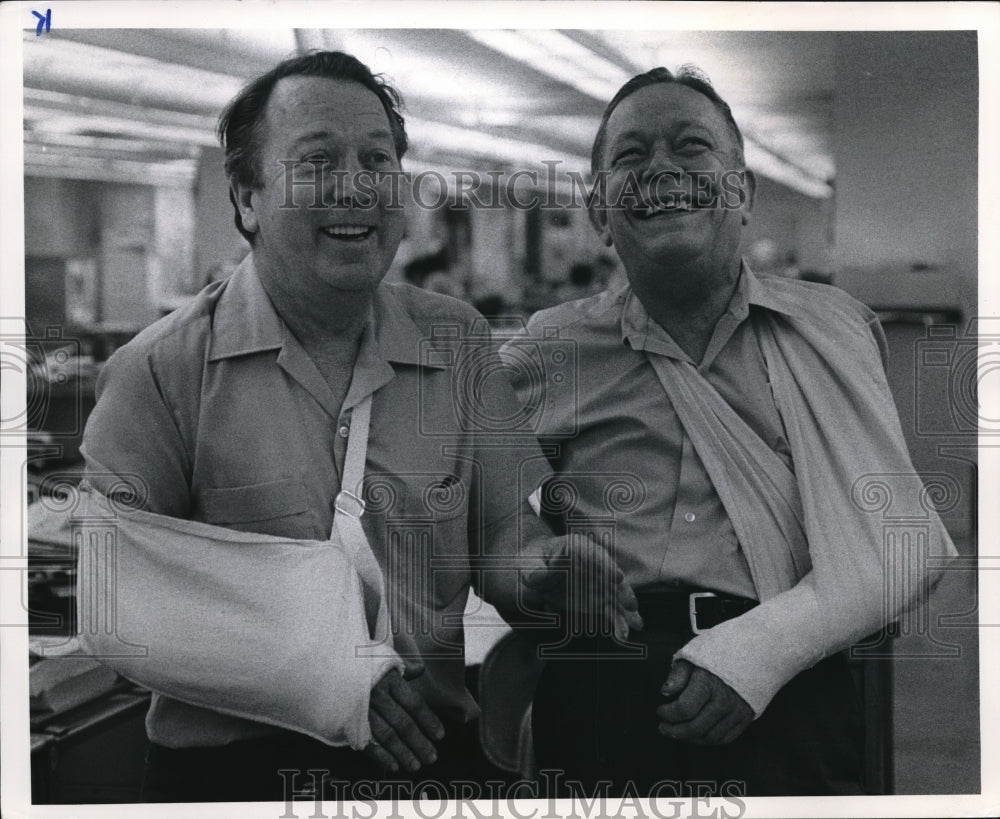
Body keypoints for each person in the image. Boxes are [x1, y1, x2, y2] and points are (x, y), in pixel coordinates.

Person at [77, 51, 615, 803]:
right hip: (235, 776)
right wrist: (331, 680)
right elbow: (119, 608)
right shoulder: (162, 373)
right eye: (318, 160)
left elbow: (502, 543)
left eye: (377, 159)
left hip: (429, 761)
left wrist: (546, 578)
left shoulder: (457, 341)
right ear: (246, 197)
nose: (356, 184)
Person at [500, 66, 957, 796]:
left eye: (691, 146)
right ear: (597, 207)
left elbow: (900, 544)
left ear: (741, 191)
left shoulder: (830, 330)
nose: (661, 169)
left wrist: (763, 651)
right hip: (607, 683)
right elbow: (463, 506)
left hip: (791, 682)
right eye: (629, 156)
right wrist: (538, 561)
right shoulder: (549, 351)